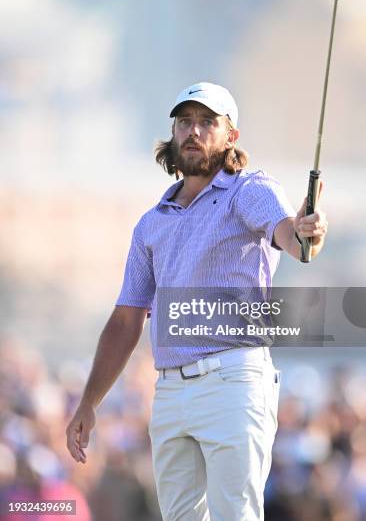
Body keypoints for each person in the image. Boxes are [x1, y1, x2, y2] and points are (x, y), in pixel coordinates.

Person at [66, 81, 328, 520]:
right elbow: (126, 320)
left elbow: (291, 236)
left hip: (233, 382)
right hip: (169, 391)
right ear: (173, 133)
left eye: (208, 122)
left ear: (231, 137)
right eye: (185, 122)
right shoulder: (151, 223)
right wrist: (89, 402)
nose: (194, 131)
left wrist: (307, 233)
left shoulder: (250, 190)